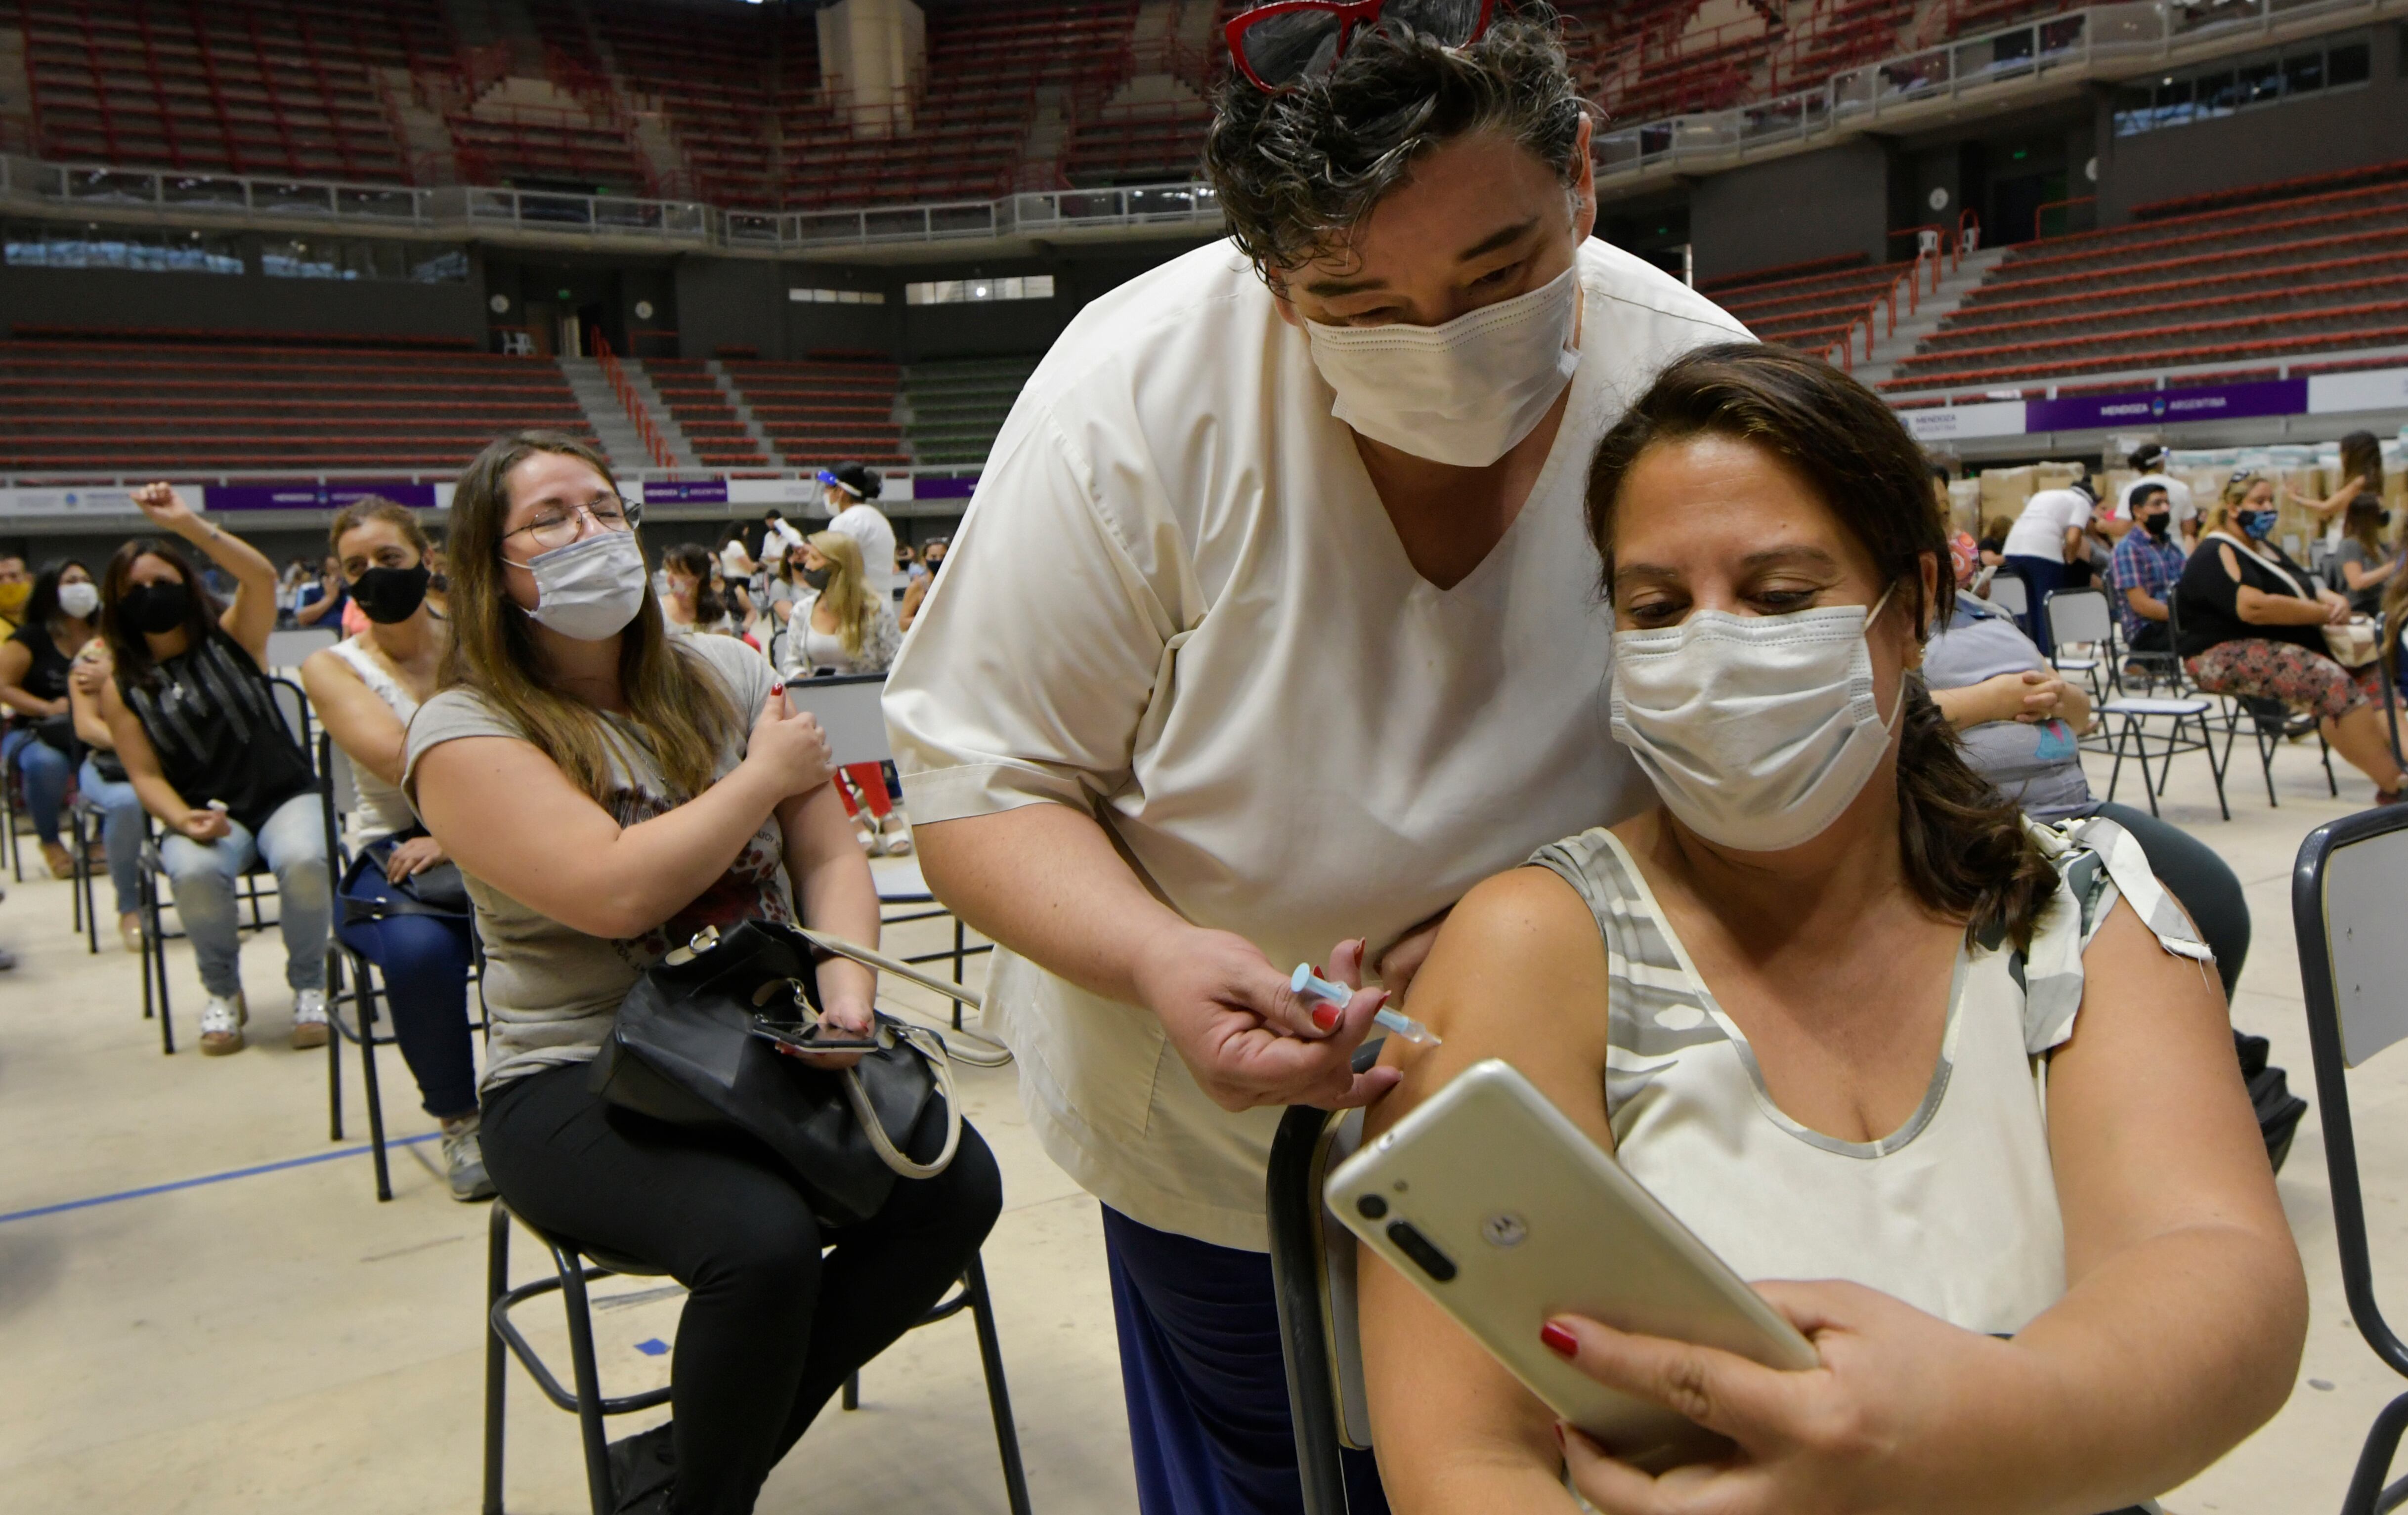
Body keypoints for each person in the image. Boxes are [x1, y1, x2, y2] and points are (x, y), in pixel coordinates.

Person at [883, 9, 1750, 1511]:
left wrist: (1547, 918)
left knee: (1577, 1452)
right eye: (1353, 300)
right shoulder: (1134, 396)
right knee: (1279, 1461)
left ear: (1584, 180)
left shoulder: (1692, 383)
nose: (1441, 343)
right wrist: (1157, 955)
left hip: (1582, 1095)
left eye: (1497, 269)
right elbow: (985, 782)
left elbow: (1792, 771)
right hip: (1219, 1130)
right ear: (1268, 275)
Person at [1356, 342, 2305, 1515]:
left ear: (1909, 613)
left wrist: (1983, 1428)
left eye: (1780, 597)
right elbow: (1464, 1459)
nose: (1709, 650)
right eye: (1656, 607)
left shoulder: (2076, 909)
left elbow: (2218, 1270)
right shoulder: (1533, 947)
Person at [407, 429, 999, 1515]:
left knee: (955, 1184)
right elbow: (614, 893)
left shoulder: (725, 672)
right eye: (549, 519)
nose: (589, 532)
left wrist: (849, 1001)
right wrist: (763, 775)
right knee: (760, 1243)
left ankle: (680, 1470)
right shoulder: (462, 730)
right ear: (490, 569)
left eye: (602, 508)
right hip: (577, 1074)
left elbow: (827, 855)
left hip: (760, 1038)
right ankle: (704, 1499)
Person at [300, 499, 491, 1201]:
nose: (374, 575)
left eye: (389, 559)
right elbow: (402, 760)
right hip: (395, 852)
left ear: (428, 560)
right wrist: (444, 832)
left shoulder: (479, 638)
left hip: (499, 829)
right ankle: (460, 1119)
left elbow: (542, 735)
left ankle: (552, 1095)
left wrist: (461, 834)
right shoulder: (332, 666)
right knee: (419, 954)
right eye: (356, 567)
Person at [96, 485, 331, 1055]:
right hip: (201, 810)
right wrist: (183, 818)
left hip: (283, 796)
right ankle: (223, 992)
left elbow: (260, 578)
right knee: (194, 876)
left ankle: (310, 985)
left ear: (188, 585)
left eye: (164, 583)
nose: (151, 596)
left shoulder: (232, 638)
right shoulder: (120, 685)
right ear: (118, 603)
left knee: (306, 862)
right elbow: (145, 774)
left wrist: (185, 523)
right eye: (137, 591)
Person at [2174, 472, 2404, 801]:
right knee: (2330, 682)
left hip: (2285, 640)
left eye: (2271, 501)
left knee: (2372, 671)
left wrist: (2331, 598)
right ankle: (2392, 783)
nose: (2268, 508)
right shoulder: (2216, 551)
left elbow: (2303, 587)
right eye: (2259, 502)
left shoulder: (2264, 548)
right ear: (2233, 507)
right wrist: (2319, 613)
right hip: (2218, 655)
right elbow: (2253, 608)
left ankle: (2404, 755)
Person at [778, 531, 908, 857]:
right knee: (821, 730)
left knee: (846, 729)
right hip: (817, 700)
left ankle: (875, 812)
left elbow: (895, 660)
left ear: (837, 566)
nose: (806, 564)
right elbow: (791, 661)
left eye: (814, 558)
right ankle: (863, 815)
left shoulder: (874, 609)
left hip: (863, 702)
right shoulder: (802, 611)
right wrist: (803, 679)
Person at [0, 560, 102, 878]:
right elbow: (3, 685)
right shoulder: (29, 638)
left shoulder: (107, 634)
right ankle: (51, 842)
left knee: (122, 758)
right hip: (37, 730)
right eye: (70, 581)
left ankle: (100, 840)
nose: (80, 586)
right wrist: (45, 707)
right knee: (47, 765)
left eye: (85, 579)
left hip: (95, 727)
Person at [67, 637, 146, 953]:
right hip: (112, 761)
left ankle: (211, 911)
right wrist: (139, 745)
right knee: (127, 803)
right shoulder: (94, 653)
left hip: (181, 756)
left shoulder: (182, 638)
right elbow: (86, 726)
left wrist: (120, 673)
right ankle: (130, 906)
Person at [2000, 474, 2097, 654]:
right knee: (2047, 608)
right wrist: (2070, 559)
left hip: (2012, 548)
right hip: (2043, 552)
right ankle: (2046, 658)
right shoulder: (2083, 502)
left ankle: (2023, 656)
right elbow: (2074, 536)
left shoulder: (2044, 495)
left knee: (2023, 607)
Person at [2107, 482, 2186, 661]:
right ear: (2138, 511)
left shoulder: (2171, 547)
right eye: (2157, 504)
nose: (2165, 509)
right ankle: (2140, 663)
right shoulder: (2128, 549)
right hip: (2146, 628)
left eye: (2167, 504)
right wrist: (2184, 617)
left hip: (2174, 620)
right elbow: (2141, 604)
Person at [2283, 429, 2382, 547]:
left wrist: (2294, 498)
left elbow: (2326, 508)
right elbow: (2328, 513)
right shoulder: (2372, 481)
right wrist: (2302, 499)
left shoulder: (2359, 483)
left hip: (2344, 544)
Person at [818, 463, 899, 602]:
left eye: (828, 488)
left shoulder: (846, 521)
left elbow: (834, 568)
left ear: (841, 492)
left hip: (858, 605)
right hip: (882, 603)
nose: (825, 494)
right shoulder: (878, 518)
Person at [2108, 441, 2195, 541]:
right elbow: (2189, 529)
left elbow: (2122, 528)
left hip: (2144, 550)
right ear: (2161, 462)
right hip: (2177, 549)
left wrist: (2104, 525)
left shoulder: (2131, 490)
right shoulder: (2182, 488)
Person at [2332, 494, 2397, 617]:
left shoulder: (2377, 546)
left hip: (2381, 602)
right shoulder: (2350, 545)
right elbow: (2356, 582)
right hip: (2363, 606)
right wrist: (2391, 568)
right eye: (2380, 510)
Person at [661, 543, 738, 637]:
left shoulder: (717, 617)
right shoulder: (658, 608)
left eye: (677, 573)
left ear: (699, 576)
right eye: (667, 571)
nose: (669, 580)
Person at [898, 536, 946, 631]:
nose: (938, 561)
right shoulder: (918, 586)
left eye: (943, 557)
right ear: (924, 560)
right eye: (933, 557)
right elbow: (903, 623)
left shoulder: (953, 584)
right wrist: (929, 620)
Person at [292, 553, 348, 630]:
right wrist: (329, 598)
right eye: (333, 570)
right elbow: (302, 618)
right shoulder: (308, 589)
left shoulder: (348, 590)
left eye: (340, 569)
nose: (337, 575)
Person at [0, 554, 30, 637]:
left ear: (29, 580)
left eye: (14, 576)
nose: (7, 582)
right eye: (0, 578)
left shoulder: (47, 620)